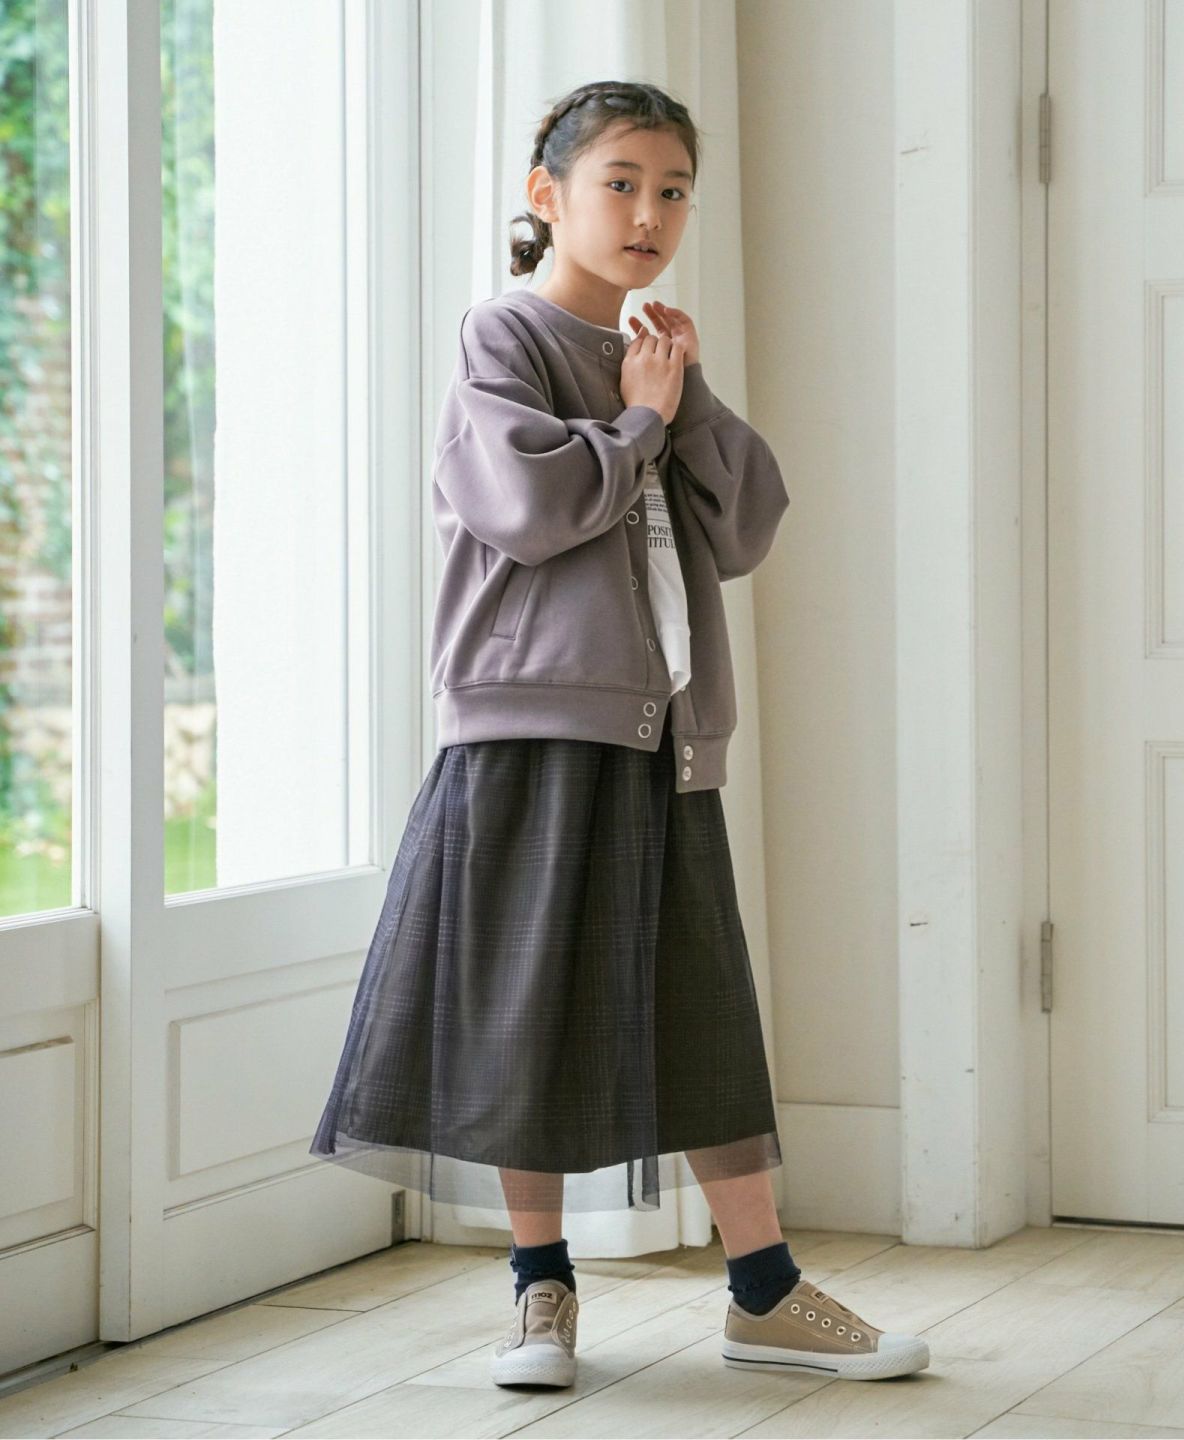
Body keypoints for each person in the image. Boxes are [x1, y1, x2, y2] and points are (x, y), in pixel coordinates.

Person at [310, 78, 929, 1389]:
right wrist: (642, 417)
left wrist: (677, 395)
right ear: (548, 196)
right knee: (522, 1012)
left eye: (674, 190)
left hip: (662, 737)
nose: (650, 213)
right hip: (527, 729)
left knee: (702, 1012)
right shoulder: (503, 337)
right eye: (621, 183)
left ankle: (763, 1290)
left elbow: (745, 523)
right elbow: (530, 509)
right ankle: (540, 1290)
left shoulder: (655, 354)